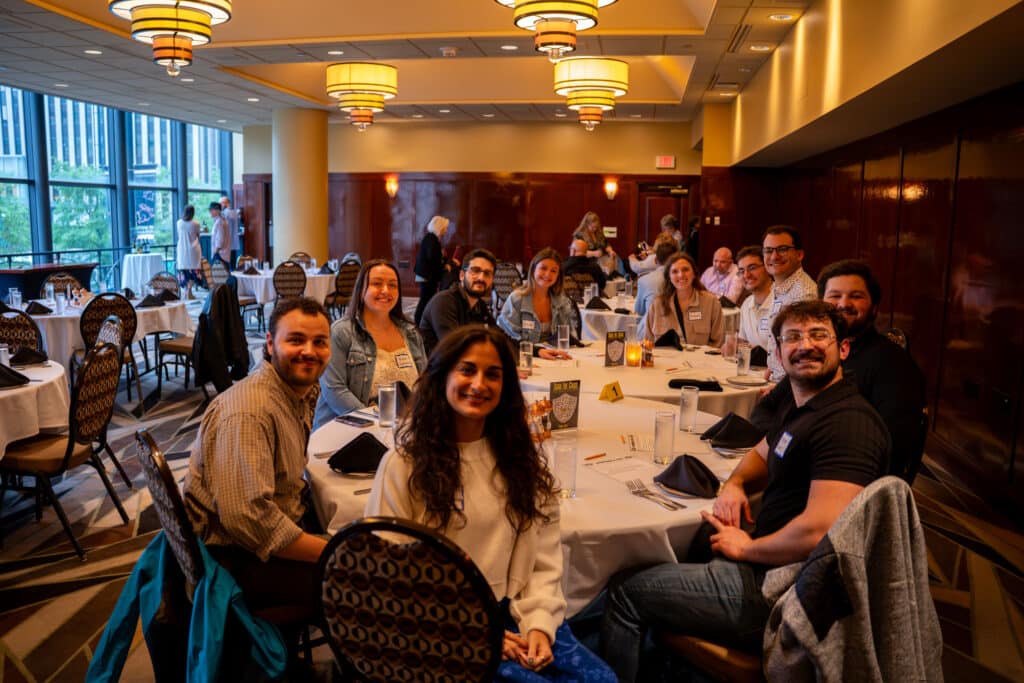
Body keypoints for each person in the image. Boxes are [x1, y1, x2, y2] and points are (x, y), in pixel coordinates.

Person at [600, 300, 890, 682]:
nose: (805, 345)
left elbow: (820, 531)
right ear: (779, 351)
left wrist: (748, 548)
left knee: (624, 591)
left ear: (844, 348)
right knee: (704, 531)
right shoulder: (805, 403)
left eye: (819, 335)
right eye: (793, 337)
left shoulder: (848, 425)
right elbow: (763, 451)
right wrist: (736, 484)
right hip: (768, 564)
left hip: (781, 592)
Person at [366, 326, 615, 681]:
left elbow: (543, 562)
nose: (479, 384)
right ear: (443, 376)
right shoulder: (404, 464)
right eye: (467, 370)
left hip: (515, 614)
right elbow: (388, 573)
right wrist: (471, 632)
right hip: (437, 624)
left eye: (493, 375)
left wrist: (541, 627)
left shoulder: (520, 461)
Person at [183, 297, 331, 623]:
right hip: (233, 559)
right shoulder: (250, 411)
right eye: (295, 340)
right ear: (269, 342)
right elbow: (249, 519)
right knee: (364, 581)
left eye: (319, 342)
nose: (309, 351)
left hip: (265, 533)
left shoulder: (299, 390)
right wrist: (331, 551)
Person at [818, 259, 926, 480]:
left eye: (856, 296)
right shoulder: (818, 350)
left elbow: (892, 445)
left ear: (875, 308)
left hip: (847, 478)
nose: (843, 304)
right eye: (834, 296)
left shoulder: (894, 365)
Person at [314, 259, 427, 428]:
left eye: (392, 285)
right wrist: (376, 423)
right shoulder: (342, 332)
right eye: (376, 284)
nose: (385, 290)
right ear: (361, 291)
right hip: (349, 429)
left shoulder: (410, 332)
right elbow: (334, 390)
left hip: (405, 428)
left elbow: (425, 382)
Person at [759, 225, 818, 381]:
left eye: (782, 249)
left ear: (799, 254)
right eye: (768, 250)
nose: (774, 256)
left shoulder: (804, 295)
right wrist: (772, 367)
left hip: (793, 387)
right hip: (777, 380)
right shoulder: (780, 288)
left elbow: (802, 355)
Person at [497, 248, 576, 360]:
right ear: (533, 269)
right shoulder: (516, 300)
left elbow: (569, 336)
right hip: (525, 357)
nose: (548, 274)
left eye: (553, 271)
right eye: (543, 268)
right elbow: (507, 339)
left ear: (558, 275)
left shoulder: (562, 302)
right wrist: (537, 351)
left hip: (554, 357)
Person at [418, 248, 498, 355]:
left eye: (487, 273)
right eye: (475, 270)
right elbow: (455, 349)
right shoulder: (444, 302)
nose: (481, 278)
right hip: (439, 369)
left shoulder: (480, 306)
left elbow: (499, 337)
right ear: (461, 275)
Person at [640, 252, 724, 347]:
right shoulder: (657, 304)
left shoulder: (711, 302)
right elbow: (648, 343)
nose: (680, 275)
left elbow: (717, 343)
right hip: (665, 361)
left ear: (694, 273)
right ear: (669, 277)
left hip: (700, 361)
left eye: (685, 270)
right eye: (675, 271)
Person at [413, 215, 451, 325]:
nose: (446, 230)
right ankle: (419, 321)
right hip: (427, 276)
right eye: (445, 227)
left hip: (425, 275)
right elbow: (432, 258)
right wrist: (443, 265)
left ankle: (422, 320)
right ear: (440, 227)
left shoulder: (431, 238)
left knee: (426, 298)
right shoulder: (432, 239)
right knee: (425, 299)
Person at [735, 245, 774, 354]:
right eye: (741, 271)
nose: (746, 275)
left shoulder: (783, 301)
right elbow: (743, 342)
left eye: (752, 268)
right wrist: (733, 345)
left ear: (767, 267)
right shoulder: (746, 304)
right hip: (752, 369)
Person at [633, 239, 677, 317]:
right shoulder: (684, 280)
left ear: (656, 260)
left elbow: (639, 310)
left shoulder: (644, 280)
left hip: (652, 326)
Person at [573, 211, 618, 277]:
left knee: (615, 259)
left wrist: (610, 251)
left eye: (596, 227)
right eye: (593, 227)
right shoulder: (579, 235)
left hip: (600, 263)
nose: (595, 229)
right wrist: (594, 253)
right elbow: (578, 253)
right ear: (586, 224)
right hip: (586, 264)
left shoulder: (598, 233)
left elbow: (606, 244)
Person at [175, 204, 202, 299]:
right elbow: (198, 236)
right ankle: (189, 291)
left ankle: (186, 291)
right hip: (193, 250)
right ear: (193, 213)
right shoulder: (196, 224)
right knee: (193, 271)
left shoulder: (179, 223)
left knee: (184, 270)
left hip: (182, 249)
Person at [219, 195, 242, 267]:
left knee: (227, 265)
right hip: (229, 243)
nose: (220, 205)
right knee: (230, 264)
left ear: (227, 203)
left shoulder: (228, 212)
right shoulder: (233, 212)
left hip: (228, 243)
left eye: (222, 203)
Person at [209, 201, 231, 266]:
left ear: (218, 211)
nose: (210, 212)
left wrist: (215, 253)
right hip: (224, 254)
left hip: (220, 255)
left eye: (211, 210)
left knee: (217, 275)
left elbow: (219, 240)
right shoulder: (222, 220)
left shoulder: (219, 223)